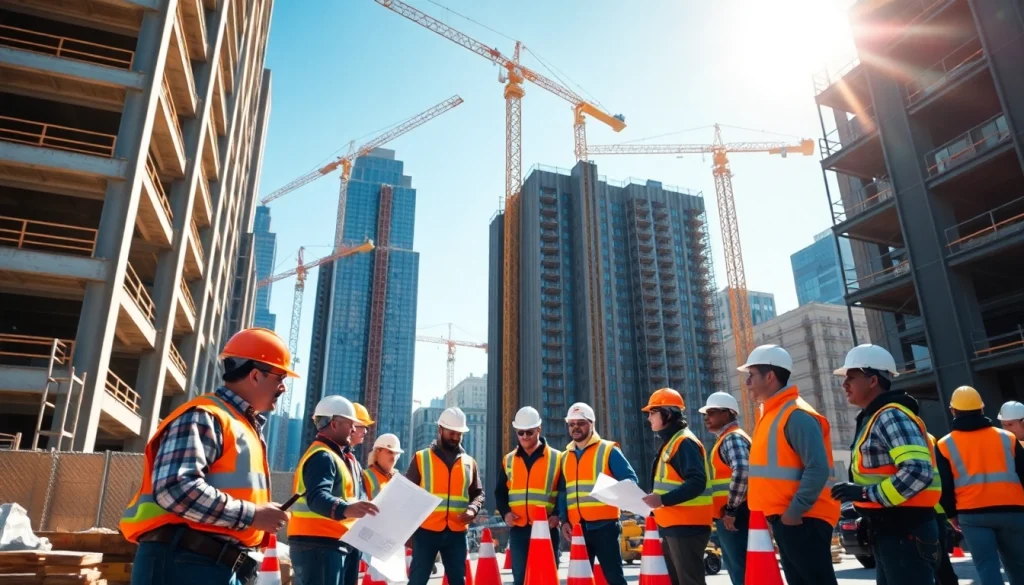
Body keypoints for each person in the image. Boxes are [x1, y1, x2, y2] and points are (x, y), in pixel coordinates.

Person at [120, 328, 297, 585]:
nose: (283, 387)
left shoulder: (239, 424)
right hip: (184, 563)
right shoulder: (205, 415)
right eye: (280, 377)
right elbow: (175, 488)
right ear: (256, 375)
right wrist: (252, 515)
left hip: (210, 564)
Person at [828, 344, 940, 585]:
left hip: (904, 531)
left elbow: (918, 471)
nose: (844, 384)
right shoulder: (876, 417)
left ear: (872, 380)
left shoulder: (891, 415)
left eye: (851, 377)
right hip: (893, 531)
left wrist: (865, 493)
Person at [739, 344, 839, 585]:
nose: (747, 383)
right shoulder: (773, 414)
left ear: (770, 376)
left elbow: (817, 468)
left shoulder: (796, 415)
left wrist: (793, 514)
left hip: (804, 519)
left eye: (751, 375)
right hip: (790, 519)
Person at [935, 386, 1024, 585]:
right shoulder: (1007, 438)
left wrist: (951, 514)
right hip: (1013, 511)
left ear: (953, 411)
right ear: (982, 410)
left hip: (973, 514)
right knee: (1019, 566)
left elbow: (945, 485)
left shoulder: (944, 444)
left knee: (987, 567)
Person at [288, 396, 381, 585]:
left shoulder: (336, 457)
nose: (355, 429)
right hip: (318, 543)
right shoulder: (323, 456)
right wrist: (346, 509)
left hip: (330, 542)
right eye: (350, 424)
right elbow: (317, 496)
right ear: (334, 423)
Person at [558, 402, 639, 585]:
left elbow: (631, 481)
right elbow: (563, 493)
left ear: (591, 424)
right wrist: (564, 520)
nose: (576, 427)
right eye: (572, 424)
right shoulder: (565, 457)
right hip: (578, 528)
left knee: (614, 578)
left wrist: (611, 492)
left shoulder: (608, 450)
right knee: (579, 580)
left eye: (581, 423)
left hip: (605, 527)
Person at [640, 389, 712, 585]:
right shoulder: (671, 442)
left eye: (652, 413)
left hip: (687, 526)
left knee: (689, 581)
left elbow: (697, 481)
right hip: (674, 525)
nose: (649, 419)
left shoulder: (684, 442)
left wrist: (662, 500)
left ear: (667, 414)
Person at [406, 407, 485, 585]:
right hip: (426, 532)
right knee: (417, 579)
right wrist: (408, 533)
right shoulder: (421, 458)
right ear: (440, 429)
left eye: (459, 433)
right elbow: (407, 496)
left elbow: (478, 494)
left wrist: (473, 510)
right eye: (452, 433)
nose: (456, 437)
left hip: (457, 533)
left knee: (458, 580)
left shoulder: (469, 462)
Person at [494, 406, 562, 585]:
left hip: (547, 529)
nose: (524, 437)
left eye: (529, 432)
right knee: (521, 579)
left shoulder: (557, 458)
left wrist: (557, 515)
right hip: (519, 529)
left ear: (539, 429)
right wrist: (505, 513)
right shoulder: (508, 460)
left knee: (547, 578)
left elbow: (564, 492)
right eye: (520, 432)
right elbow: (500, 492)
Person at [699, 391, 750, 585]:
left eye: (711, 413)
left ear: (727, 414)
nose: (706, 418)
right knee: (739, 566)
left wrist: (731, 509)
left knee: (740, 569)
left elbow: (742, 470)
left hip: (735, 516)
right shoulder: (727, 438)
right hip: (734, 515)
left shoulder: (731, 438)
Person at [342, 402, 373, 585]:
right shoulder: (333, 457)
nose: (365, 431)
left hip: (353, 538)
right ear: (350, 426)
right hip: (335, 538)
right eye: (362, 426)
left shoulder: (352, 460)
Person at [362, 433, 403, 499]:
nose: (394, 457)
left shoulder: (398, 478)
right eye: (390, 452)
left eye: (396, 454)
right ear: (377, 452)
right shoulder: (364, 477)